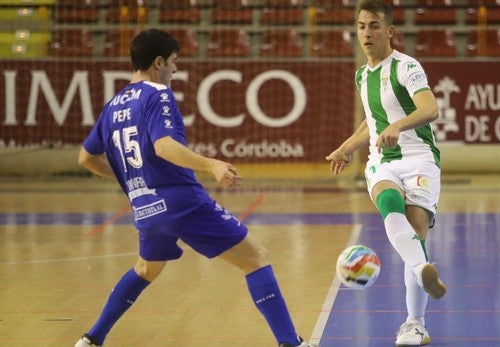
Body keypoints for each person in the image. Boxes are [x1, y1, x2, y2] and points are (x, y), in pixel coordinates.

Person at [75, 28, 315, 347]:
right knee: (255, 257)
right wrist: (211, 165)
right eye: (174, 61)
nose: (176, 69)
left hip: (145, 207)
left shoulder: (112, 106)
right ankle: (290, 343)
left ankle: (91, 340)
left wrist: (134, 182)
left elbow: (85, 159)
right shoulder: (157, 94)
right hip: (181, 201)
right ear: (158, 62)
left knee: (146, 268)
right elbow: (163, 146)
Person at [325, 1, 447, 346]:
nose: (367, 33)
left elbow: (430, 108)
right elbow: (372, 121)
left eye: (374, 26)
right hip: (383, 160)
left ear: (390, 31)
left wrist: (399, 124)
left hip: (420, 156)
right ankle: (422, 271)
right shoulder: (361, 74)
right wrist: (346, 147)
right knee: (389, 202)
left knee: (417, 227)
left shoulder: (407, 67)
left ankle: (415, 324)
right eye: (362, 26)